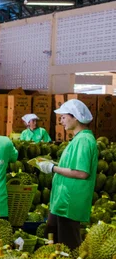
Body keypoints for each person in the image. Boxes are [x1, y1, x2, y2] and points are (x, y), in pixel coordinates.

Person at [38, 99, 97, 249]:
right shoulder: (78, 139)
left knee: (68, 245)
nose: (61, 121)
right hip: (63, 200)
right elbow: (72, 166)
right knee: (52, 238)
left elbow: (82, 173)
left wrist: (52, 168)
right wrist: (53, 164)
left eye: (63, 117)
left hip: (70, 202)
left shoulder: (84, 140)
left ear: (75, 117)